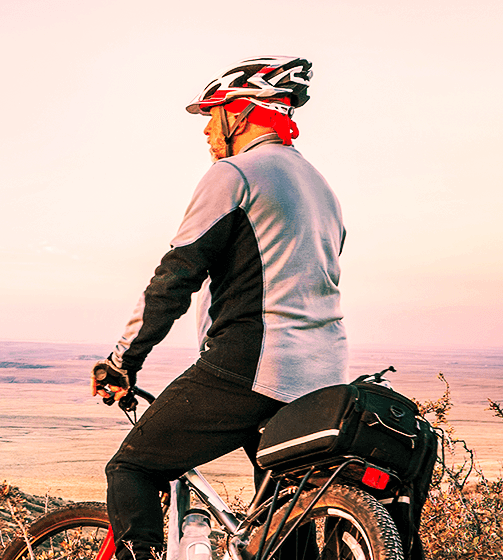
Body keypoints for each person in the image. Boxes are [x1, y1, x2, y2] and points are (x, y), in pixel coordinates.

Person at [90, 56, 346, 559]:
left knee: (133, 468)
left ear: (240, 113)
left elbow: (175, 277)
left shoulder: (234, 174)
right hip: (323, 376)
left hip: (250, 365)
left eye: (211, 114)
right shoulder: (322, 188)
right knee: (281, 527)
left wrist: (123, 360)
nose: (206, 129)